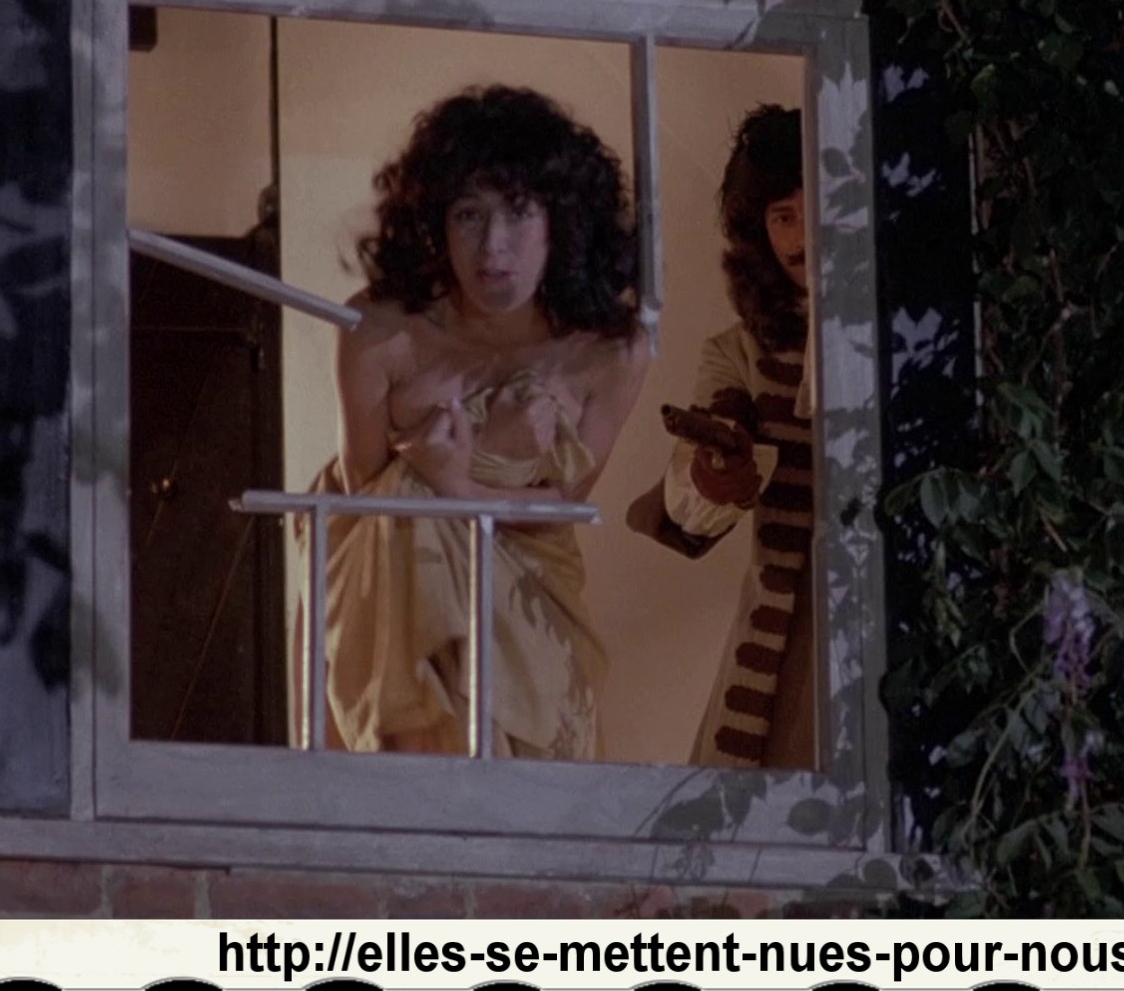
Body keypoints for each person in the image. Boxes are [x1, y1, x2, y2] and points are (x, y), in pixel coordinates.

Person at [290, 85, 652, 761]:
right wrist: (473, 464)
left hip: (533, 607)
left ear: (561, 219)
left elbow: (563, 507)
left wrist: (458, 481)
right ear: (436, 223)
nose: (493, 246)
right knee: (398, 542)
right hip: (388, 602)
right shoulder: (378, 330)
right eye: (468, 214)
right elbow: (364, 497)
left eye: (518, 212)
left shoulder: (612, 351)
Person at [630, 104, 818, 770]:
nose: (802, 237)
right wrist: (716, 470)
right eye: (782, 216)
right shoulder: (737, 353)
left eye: (816, 209)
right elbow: (694, 489)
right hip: (790, 633)